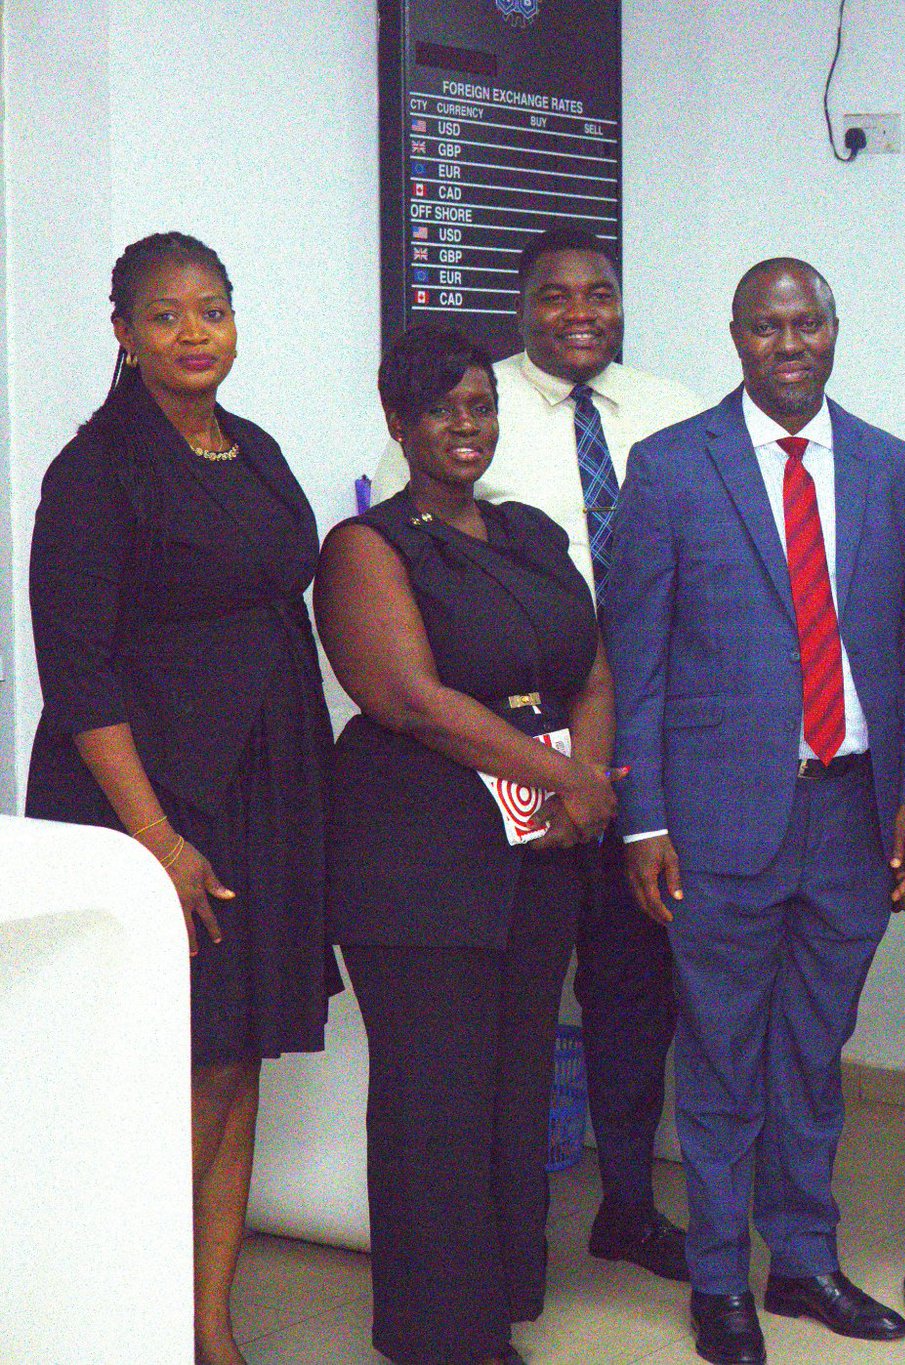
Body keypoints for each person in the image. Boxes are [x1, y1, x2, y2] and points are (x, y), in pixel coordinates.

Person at [605, 258, 905, 1365]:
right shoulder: (670, 466)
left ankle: (801, 1262)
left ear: (834, 330)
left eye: (807, 324)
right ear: (736, 336)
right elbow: (636, 662)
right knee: (719, 1060)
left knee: (811, 1054)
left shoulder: (889, 465)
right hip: (717, 824)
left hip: (852, 815)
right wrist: (643, 820)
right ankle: (719, 1282)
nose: (789, 345)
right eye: (765, 326)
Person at [24, 231, 334, 1365]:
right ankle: (130, 1319)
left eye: (212, 309)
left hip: (260, 790)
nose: (193, 332)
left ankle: (209, 1322)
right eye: (164, 315)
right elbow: (78, 674)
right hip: (151, 805)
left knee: (234, 1058)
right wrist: (154, 837)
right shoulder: (95, 471)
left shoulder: (251, 447)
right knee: (174, 1069)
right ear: (123, 333)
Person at [371, 226, 703, 1281]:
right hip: (493, 764)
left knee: (632, 981)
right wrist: (558, 774)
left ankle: (626, 1204)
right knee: (505, 1015)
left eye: (598, 293)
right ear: (520, 307)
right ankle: (494, 1245)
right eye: (554, 295)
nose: (578, 313)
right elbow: (403, 602)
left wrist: (596, 770)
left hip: (636, 728)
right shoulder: (472, 408)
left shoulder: (673, 410)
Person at [319, 324, 619, 1365]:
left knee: (513, 1087)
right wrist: (566, 779)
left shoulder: (529, 531)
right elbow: (410, 698)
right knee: (432, 1102)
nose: (466, 425)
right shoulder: (366, 547)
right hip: (417, 859)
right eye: (441, 407)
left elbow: (590, 667)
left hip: (536, 854)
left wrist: (584, 781)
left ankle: (498, 1300)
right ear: (398, 422)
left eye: (481, 405)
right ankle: (439, 1336)